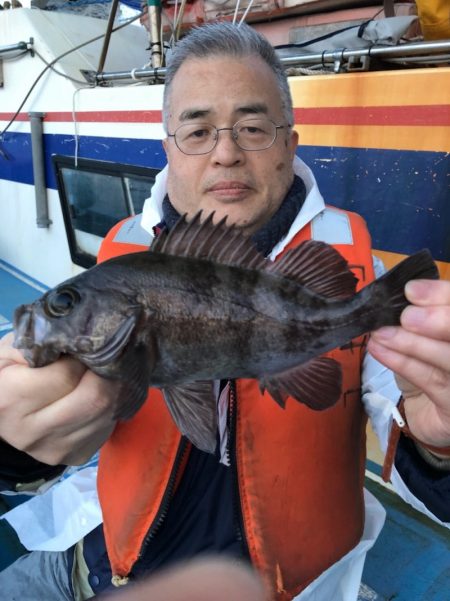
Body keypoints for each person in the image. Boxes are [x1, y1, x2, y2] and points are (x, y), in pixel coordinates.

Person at [0, 21, 449, 601]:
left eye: (253, 128)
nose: (227, 153)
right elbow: (38, 464)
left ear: (290, 142)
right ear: (169, 148)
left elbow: (424, 469)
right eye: (198, 130)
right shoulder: (118, 263)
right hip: (93, 567)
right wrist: (12, 449)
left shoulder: (369, 287)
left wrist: (438, 448)